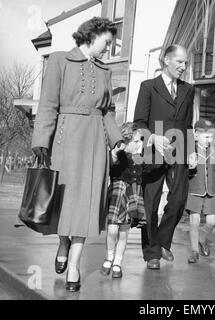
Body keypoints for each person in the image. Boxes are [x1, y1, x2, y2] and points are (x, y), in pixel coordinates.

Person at [31, 17, 124, 292]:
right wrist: (41, 142)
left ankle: (74, 265)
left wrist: (116, 141)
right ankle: (63, 241)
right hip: (64, 138)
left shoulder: (105, 71)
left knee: (87, 202)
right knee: (64, 200)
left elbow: (107, 111)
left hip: (95, 141)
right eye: (107, 42)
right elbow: (48, 105)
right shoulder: (59, 60)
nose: (108, 48)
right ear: (91, 36)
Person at [133, 44, 197, 269]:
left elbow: (187, 124)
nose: (183, 66)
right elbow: (139, 124)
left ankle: (162, 241)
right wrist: (152, 138)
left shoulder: (188, 90)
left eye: (185, 62)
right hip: (153, 152)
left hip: (179, 151)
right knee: (150, 204)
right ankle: (152, 254)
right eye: (179, 61)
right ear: (166, 60)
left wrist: (191, 151)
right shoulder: (148, 87)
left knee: (179, 198)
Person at [101, 122, 145, 278]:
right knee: (112, 231)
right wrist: (114, 153)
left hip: (131, 195)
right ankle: (109, 257)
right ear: (127, 140)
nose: (140, 144)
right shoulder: (118, 154)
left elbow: (151, 168)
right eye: (137, 141)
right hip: (117, 194)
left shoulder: (140, 157)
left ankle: (117, 263)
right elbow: (109, 166)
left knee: (124, 233)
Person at [185, 119, 215, 263]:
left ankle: (202, 239)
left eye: (211, 137)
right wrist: (189, 167)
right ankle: (194, 251)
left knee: (211, 222)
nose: (209, 140)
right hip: (194, 190)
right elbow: (183, 172)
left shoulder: (214, 152)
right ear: (196, 135)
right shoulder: (190, 151)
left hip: (212, 191)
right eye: (206, 137)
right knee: (194, 222)